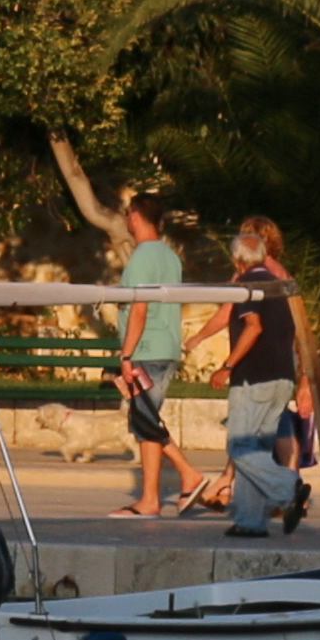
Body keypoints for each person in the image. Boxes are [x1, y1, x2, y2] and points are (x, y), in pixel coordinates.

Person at [218, 219, 310, 539]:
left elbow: (253, 327)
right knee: (257, 445)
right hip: (281, 378)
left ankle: (288, 488)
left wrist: (227, 366)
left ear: (238, 260)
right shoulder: (280, 285)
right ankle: (250, 520)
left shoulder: (247, 285)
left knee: (240, 446)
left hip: (253, 378)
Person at [112, 192, 195, 519]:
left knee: (145, 419)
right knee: (145, 419)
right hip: (165, 345)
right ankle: (151, 498)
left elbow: (140, 308)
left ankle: (187, 475)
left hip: (147, 349)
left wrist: (126, 355)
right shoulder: (170, 257)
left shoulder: (143, 257)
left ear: (134, 216)